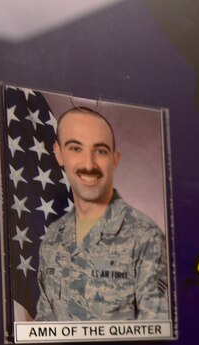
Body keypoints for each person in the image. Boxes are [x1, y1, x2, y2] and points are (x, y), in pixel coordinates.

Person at [34, 107, 169, 321]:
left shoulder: (145, 238)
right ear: (59, 154)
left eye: (100, 151)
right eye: (75, 148)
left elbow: (156, 338)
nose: (89, 164)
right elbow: (44, 330)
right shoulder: (52, 239)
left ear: (115, 159)